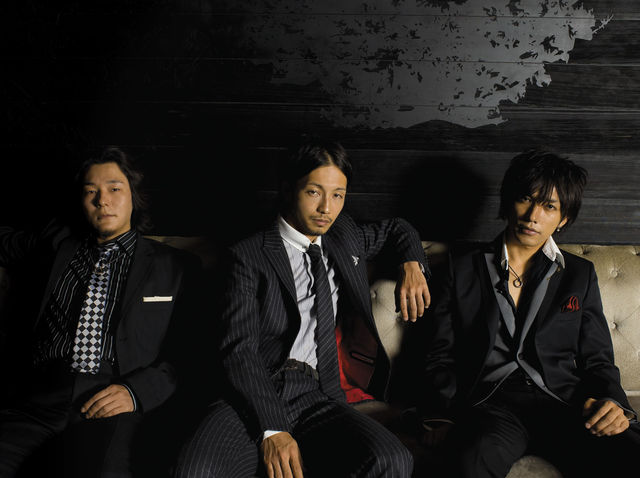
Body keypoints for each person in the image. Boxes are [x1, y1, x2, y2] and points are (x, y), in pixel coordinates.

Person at [175, 139, 431, 478]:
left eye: (338, 195)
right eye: (314, 192)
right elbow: (240, 350)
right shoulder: (247, 256)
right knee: (196, 470)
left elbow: (399, 228)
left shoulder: (344, 236)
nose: (327, 207)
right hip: (254, 391)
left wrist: (412, 264)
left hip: (318, 394)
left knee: (393, 459)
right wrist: (272, 429)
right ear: (287, 189)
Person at [420, 150, 640, 477]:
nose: (533, 216)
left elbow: (597, 358)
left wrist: (613, 402)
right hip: (492, 407)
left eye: (549, 206)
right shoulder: (461, 268)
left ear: (563, 218)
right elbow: (440, 354)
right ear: (508, 202)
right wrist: (441, 415)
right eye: (525, 199)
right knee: (469, 463)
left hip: (565, 402)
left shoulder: (579, 274)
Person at [0, 147, 199, 477]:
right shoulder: (56, 246)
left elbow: (190, 351)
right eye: (90, 191)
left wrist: (136, 392)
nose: (102, 201)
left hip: (114, 399)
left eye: (114, 189)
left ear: (134, 196)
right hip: (40, 399)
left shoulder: (175, 266)